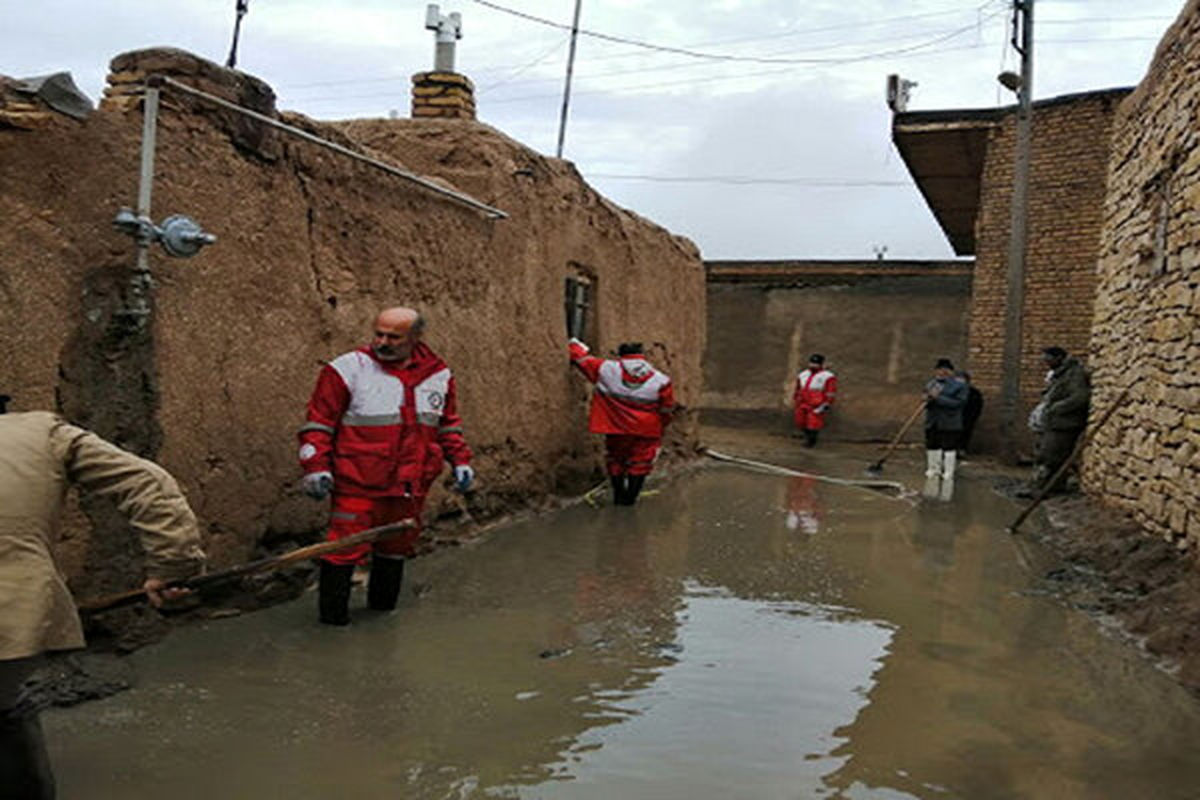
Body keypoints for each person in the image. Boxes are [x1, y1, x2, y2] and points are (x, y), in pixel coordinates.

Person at [1, 405, 206, 799]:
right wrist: (173, 565)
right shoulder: (41, 433)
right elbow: (148, 483)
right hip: (17, 620)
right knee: (7, 705)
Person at [298, 307, 474, 626]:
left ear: (416, 338)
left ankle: (382, 617)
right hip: (358, 482)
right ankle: (333, 626)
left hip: (411, 485)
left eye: (393, 337)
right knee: (342, 550)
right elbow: (319, 425)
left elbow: (447, 425)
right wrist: (315, 467)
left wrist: (460, 460)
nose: (382, 342)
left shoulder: (438, 374)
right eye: (378, 333)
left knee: (396, 549)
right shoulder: (348, 369)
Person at [568, 339, 675, 506]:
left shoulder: (605, 368)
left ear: (620, 355)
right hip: (646, 430)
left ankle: (618, 496)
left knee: (616, 459)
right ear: (643, 356)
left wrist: (574, 343)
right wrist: (662, 426)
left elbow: (580, 359)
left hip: (616, 427)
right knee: (641, 462)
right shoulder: (661, 380)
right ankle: (630, 500)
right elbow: (667, 409)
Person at [1032, 346, 1091, 492]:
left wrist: (1056, 408)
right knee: (1046, 455)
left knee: (1054, 457)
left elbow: (1080, 397)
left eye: (1048, 359)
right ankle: (1044, 486)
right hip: (1055, 423)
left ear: (1059, 357)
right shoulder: (1060, 374)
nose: (1046, 363)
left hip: (1065, 424)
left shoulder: (1074, 374)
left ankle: (1050, 488)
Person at [923, 358, 967, 480]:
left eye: (945, 370)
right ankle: (933, 469)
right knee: (932, 445)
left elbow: (958, 403)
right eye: (939, 370)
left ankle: (948, 471)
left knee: (949, 447)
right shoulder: (931, 384)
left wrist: (938, 398)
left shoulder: (959, 386)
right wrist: (926, 399)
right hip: (933, 421)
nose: (941, 373)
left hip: (949, 422)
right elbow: (927, 400)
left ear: (950, 372)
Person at [793, 354, 837, 448]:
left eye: (816, 363)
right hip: (802, 402)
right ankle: (807, 436)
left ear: (821, 364)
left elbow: (830, 391)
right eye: (812, 363)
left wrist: (826, 403)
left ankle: (811, 440)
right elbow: (798, 388)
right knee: (800, 421)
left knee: (813, 424)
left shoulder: (827, 376)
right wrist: (796, 399)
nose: (813, 365)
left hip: (816, 403)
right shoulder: (803, 374)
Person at [956, 370, 984, 455]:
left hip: (967, 417)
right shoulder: (952, 392)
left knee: (965, 433)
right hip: (952, 418)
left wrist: (972, 417)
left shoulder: (974, 394)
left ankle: (961, 449)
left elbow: (977, 407)